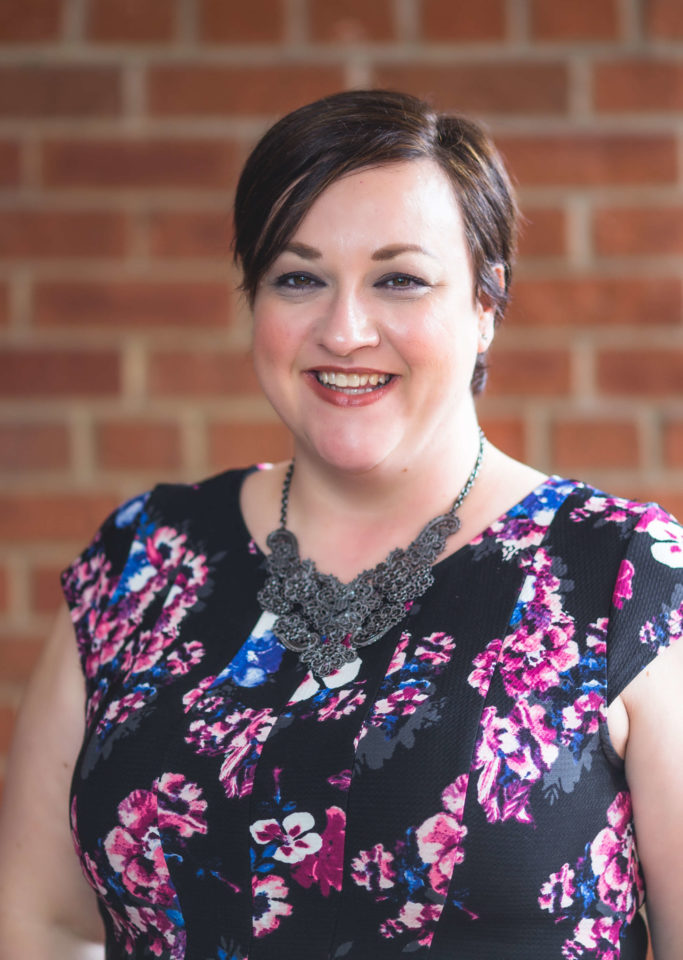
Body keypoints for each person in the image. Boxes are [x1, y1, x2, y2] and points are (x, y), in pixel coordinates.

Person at [0, 89, 681, 960]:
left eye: (399, 278)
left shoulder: (620, 574)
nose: (344, 329)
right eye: (298, 277)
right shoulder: (139, 562)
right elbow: (46, 927)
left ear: (485, 304)